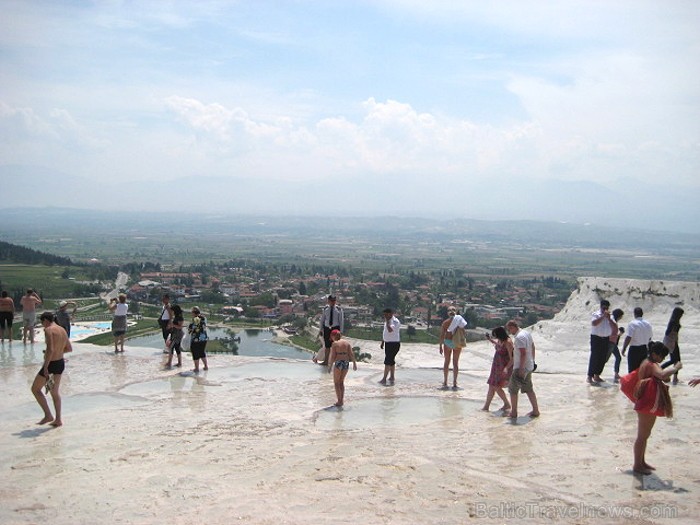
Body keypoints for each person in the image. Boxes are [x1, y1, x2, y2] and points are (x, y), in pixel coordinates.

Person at [620, 341, 682, 475]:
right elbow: (663, 375)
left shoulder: (646, 362)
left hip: (645, 400)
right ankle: (637, 465)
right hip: (646, 402)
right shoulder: (651, 364)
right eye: (662, 356)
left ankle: (641, 461)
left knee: (645, 435)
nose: (663, 359)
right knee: (642, 436)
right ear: (654, 354)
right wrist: (676, 367)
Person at [30, 311, 73, 427]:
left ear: (45, 320)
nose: (43, 325)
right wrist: (58, 352)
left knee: (35, 389)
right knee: (54, 392)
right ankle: (58, 419)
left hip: (51, 365)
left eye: (42, 322)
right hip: (60, 363)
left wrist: (45, 366)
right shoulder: (62, 329)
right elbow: (69, 348)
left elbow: (50, 349)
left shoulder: (49, 330)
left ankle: (48, 415)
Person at [506, 320, 540, 420]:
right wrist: (533, 361)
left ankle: (514, 412)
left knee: (513, 389)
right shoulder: (526, 333)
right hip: (529, 366)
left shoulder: (519, 338)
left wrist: (521, 368)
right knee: (529, 389)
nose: (509, 331)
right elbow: (533, 346)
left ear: (513, 327)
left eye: (509, 329)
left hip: (520, 367)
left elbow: (523, 353)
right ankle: (535, 410)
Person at [482, 326, 513, 413]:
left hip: (503, 368)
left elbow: (512, 358)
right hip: (496, 366)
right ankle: (486, 407)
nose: (495, 337)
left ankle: (507, 404)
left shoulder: (508, 342)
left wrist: (506, 368)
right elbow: (498, 345)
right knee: (491, 385)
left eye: (496, 336)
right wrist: (490, 340)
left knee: (496, 386)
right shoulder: (500, 340)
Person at [438, 307, 466, 389]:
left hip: (448, 342)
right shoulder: (460, 321)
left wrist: (440, 346)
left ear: (448, 313)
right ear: (456, 312)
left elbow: (442, 335)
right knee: (455, 362)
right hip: (457, 343)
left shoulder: (445, 322)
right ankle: (455, 382)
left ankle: (445, 381)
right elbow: (464, 332)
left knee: (447, 362)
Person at [327, 329, 357, 407]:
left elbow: (333, 356)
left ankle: (339, 401)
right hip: (346, 363)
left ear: (333, 336)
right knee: (341, 382)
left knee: (336, 383)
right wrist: (354, 363)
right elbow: (351, 354)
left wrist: (330, 366)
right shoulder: (347, 343)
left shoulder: (335, 344)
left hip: (338, 362)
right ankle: (341, 400)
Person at [588, 299, 614, 384]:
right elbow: (594, 323)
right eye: (604, 308)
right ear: (601, 307)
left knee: (602, 357)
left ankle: (597, 375)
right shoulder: (596, 314)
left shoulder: (611, 316)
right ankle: (590, 376)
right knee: (594, 356)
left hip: (605, 338)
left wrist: (609, 319)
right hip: (596, 338)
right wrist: (602, 316)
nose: (605, 309)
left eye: (607, 308)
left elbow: (614, 327)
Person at [621, 307, 653, 373]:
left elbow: (629, 337)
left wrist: (624, 348)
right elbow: (650, 337)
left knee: (632, 369)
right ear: (642, 314)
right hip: (644, 348)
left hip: (634, 349)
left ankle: (633, 383)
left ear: (634, 314)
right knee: (642, 369)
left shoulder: (633, 323)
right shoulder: (648, 324)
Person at [317, 295, 343, 366]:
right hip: (327, 328)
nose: (333, 302)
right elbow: (322, 319)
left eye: (334, 301)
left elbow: (341, 321)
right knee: (327, 346)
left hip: (335, 329)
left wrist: (341, 331)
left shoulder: (339, 309)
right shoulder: (325, 309)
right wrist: (320, 329)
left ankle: (337, 362)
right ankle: (326, 361)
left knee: (336, 346)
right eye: (331, 301)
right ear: (328, 301)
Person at [660, 307, 684, 384]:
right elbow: (667, 333)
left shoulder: (674, 321)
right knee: (676, 360)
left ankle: (674, 377)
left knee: (675, 360)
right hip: (671, 343)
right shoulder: (673, 322)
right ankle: (661, 370)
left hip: (673, 342)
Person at [379, 308, 401, 385]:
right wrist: (383, 342)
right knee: (391, 361)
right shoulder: (387, 321)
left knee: (387, 361)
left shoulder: (395, 321)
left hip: (394, 344)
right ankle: (392, 376)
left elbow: (390, 330)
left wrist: (388, 322)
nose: (384, 316)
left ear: (390, 314)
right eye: (384, 315)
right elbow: (385, 332)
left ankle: (384, 379)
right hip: (388, 343)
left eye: (386, 314)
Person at [604, 308, 625, 383]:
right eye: (621, 316)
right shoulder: (612, 321)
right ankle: (595, 373)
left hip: (612, 343)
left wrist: (619, 334)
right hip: (610, 342)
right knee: (605, 359)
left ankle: (616, 373)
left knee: (618, 357)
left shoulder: (613, 321)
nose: (621, 318)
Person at [188, 306, 209, 373]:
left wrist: (189, 329)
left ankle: (196, 368)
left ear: (194, 313)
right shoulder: (203, 318)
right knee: (202, 352)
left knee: (195, 353)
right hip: (204, 338)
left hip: (196, 339)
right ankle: (205, 366)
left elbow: (191, 330)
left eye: (192, 312)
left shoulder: (195, 320)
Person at [165, 304, 184, 368]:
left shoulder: (179, 318)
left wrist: (173, 325)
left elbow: (180, 327)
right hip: (175, 334)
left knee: (171, 347)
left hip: (177, 335)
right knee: (177, 348)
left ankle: (169, 362)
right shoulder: (176, 317)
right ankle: (179, 363)